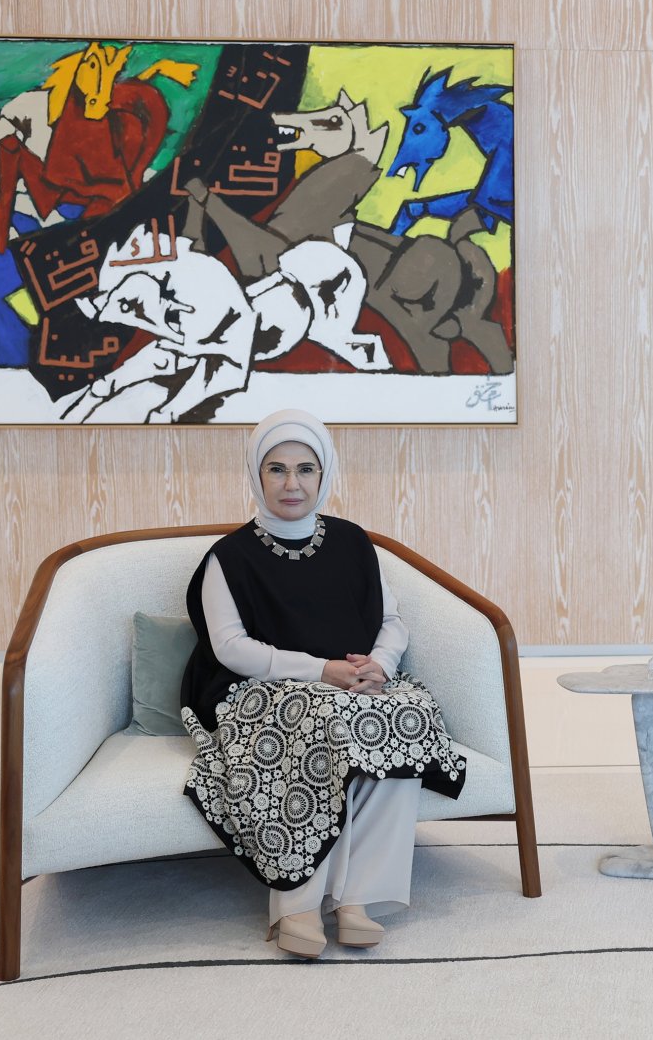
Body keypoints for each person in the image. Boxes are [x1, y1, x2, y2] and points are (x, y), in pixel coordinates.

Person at [179, 408, 466, 959]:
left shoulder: (354, 542)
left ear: (324, 474)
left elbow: (391, 620)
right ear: (256, 476)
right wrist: (321, 671)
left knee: (400, 718)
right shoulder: (229, 558)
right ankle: (299, 906)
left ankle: (359, 900)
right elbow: (231, 648)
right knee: (320, 723)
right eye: (277, 469)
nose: (292, 484)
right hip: (258, 689)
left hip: (352, 681)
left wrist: (380, 664)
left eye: (306, 469)